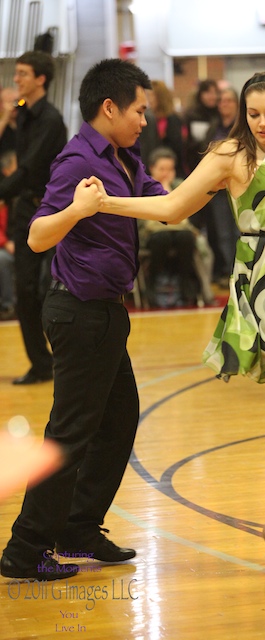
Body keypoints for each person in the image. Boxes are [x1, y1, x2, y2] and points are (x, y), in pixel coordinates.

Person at [85, 70, 265, 577]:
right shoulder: (232, 157)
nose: (261, 123)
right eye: (252, 114)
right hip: (263, 286)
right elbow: (172, 207)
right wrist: (105, 203)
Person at [0, 57, 167, 581]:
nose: (145, 120)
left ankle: (76, 528)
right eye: (139, 110)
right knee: (69, 435)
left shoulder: (125, 157)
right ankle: (23, 551)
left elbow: (163, 204)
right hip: (79, 314)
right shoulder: (77, 160)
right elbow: (35, 235)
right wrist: (77, 210)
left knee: (117, 422)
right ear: (109, 107)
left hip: (106, 317)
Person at [0, 51, 68, 385]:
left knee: (51, 289)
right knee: (24, 290)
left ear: (41, 79)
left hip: (49, 209)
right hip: (23, 209)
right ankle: (41, 364)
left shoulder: (51, 119)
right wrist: (5, 119)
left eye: (23, 74)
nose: (17, 80)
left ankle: (62, 359)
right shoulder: (23, 113)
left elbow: (28, 168)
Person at [139, 147, 213, 307]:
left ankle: (186, 284)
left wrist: (169, 188)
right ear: (152, 168)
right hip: (154, 234)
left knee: (185, 237)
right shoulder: (144, 186)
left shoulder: (180, 184)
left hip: (180, 232)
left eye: (170, 169)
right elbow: (148, 220)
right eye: (162, 169)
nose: (166, 173)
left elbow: (185, 219)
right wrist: (163, 189)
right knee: (162, 238)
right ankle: (154, 282)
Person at [203, 87, 240, 284]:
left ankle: (242, 270)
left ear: (237, 104)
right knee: (223, 233)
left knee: (240, 230)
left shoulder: (243, 127)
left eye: (228, 100)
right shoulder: (213, 126)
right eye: (221, 101)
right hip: (217, 188)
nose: (224, 104)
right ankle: (229, 270)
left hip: (239, 186)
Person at [139, 79, 187, 178]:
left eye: (153, 95)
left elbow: (176, 146)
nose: (150, 99)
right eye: (148, 96)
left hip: (168, 167)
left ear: (161, 97)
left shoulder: (172, 119)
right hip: (150, 166)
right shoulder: (146, 116)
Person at [0, 150, 17, 319]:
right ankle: (8, 305)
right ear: (6, 171)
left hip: (25, 243)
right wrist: (6, 243)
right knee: (2, 259)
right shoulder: (3, 194)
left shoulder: (26, 194)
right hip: (5, 245)